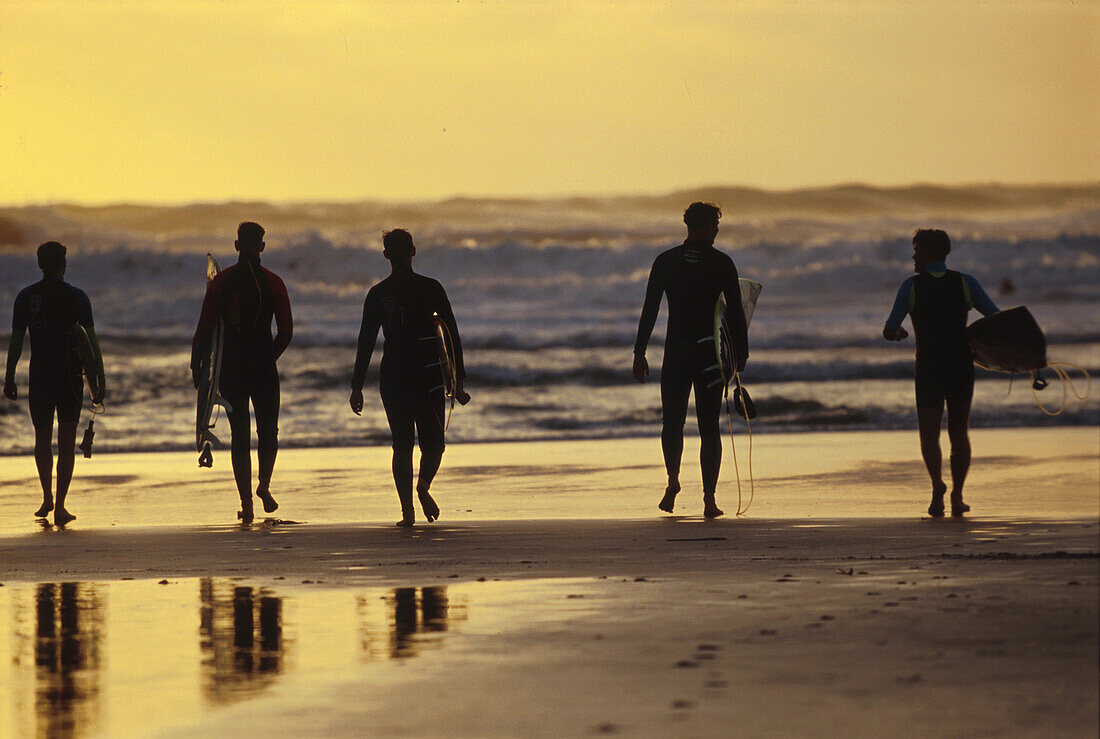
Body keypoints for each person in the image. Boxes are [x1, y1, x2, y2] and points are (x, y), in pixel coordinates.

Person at [633, 203, 748, 518]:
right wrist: (741, 354)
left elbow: (650, 310)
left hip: (676, 354)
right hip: (709, 356)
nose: (717, 230)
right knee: (709, 426)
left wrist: (639, 351)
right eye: (715, 225)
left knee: (672, 422)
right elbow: (736, 311)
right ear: (707, 226)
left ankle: (673, 481)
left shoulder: (666, 261)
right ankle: (709, 500)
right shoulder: (722, 263)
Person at [349, 229, 466, 527]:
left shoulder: (377, 294)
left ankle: (408, 512)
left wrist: (357, 386)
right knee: (434, 444)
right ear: (413, 251)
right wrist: (458, 378)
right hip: (428, 374)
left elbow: (366, 342)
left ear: (386, 254)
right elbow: (451, 334)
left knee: (402, 445)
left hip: (394, 375)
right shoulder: (430, 288)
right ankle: (423, 486)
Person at [883, 229, 999, 517]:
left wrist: (899, 334)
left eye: (917, 250)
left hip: (928, 367)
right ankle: (958, 497)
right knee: (959, 433)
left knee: (929, 436)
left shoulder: (910, 287)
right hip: (960, 365)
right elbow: (996, 318)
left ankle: (937, 487)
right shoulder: (965, 283)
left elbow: (888, 329)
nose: (913, 256)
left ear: (931, 253)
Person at [191, 222, 292, 523]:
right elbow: (286, 333)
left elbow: (205, 329)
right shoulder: (274, 282)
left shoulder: (221, 282)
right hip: (263, 365)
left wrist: (199, 370)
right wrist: (266, 359)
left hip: (232, 368)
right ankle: (264, 485)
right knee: (269, 431)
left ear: (237, 246)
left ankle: (246, 504)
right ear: (262, 246)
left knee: (239, 436)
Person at [4, 242, 106, 526]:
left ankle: (47, 496)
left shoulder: (26, 298)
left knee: (42, 439)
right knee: (66, 440)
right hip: (70, 378)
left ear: (39, 264)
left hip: (40, 376)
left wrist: (9, 376)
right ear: (64, 264)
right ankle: (60, 505)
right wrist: (99, 382)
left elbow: (15, 342)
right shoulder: (78, 298)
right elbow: (91, 344)